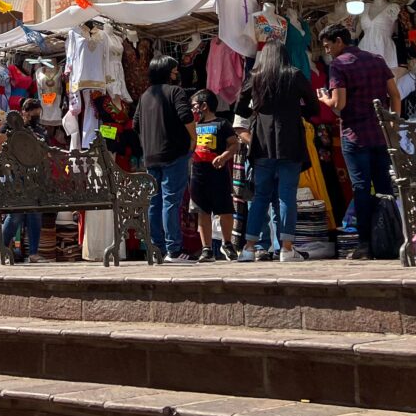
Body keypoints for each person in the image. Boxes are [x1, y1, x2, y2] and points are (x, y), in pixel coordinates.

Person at [318, 23, 402, 259]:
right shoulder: (376, 59)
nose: (327, 51)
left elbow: (339, 105)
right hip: (380, 134)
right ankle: (391, 239)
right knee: (385, 187)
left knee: (361, 188)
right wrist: (393, 124)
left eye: (327, 46)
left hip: (355, 135)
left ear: (338, 41)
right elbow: (395, 95)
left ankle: (365, 243)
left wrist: (325, 99)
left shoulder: (338, 65)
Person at [236, 44, 320, 262]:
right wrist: (296, 110)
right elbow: (314, 107)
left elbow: (240, 108)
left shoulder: (255, 76)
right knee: (286, 195)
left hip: (262, 143)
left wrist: (257, 110)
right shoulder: (294, 74)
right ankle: (287, 248)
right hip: (290, 142)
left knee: (260, 196)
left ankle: (248, 248)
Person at [133, 55, 196, 263]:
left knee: (154, 202)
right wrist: (193, 140)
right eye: (174, 70)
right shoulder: (175, 91)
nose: (177, 73)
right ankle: (174, 250)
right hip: (173, 153)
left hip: (151, 156)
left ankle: (156, 248)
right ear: (167, 71)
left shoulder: (144, 96)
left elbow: (135, 125)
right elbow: (186, 117)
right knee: (171, 201)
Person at [188, 90, 238, 261]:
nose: (193, 110)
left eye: (194, 106)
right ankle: (206, 248)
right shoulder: (192, 126)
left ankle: (227, 243)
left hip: (218, 173)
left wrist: (224, 156)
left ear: (204, 105)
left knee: (224, 209)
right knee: (202, 211)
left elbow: (234, 144)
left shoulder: (222, 124)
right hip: (197, 173)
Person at [0, 99, 48, 263]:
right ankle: (2, 248)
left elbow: (45, 152)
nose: (36, 117)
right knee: (16, 214)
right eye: (34, 114)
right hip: (15, 174)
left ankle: (33, 253)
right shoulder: (10, 125)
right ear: (25, 112)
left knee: (35, 213)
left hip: (34, 176)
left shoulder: (38, 129)